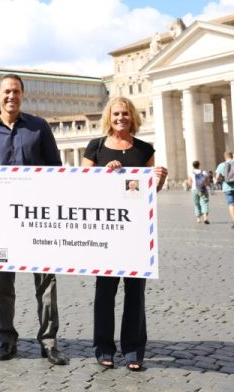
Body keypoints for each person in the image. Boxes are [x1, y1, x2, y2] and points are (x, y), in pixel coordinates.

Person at [0, 73, 68, 365]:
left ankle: (48, 341)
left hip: (39, 218)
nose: (11, 96)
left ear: (23, 95)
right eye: (6, 92)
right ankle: (6, 338)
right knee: (3, 284)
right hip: (3, 221)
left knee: (46, 282)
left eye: (16, 91)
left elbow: (57, 169)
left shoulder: (39, 128)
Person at [82, 96, 167, 371]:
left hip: (136, 229)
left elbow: (148, 191)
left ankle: (133, 350)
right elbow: (80, 184)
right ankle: (103, 348)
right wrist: (103, 174)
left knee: (135, 293)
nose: (121, 118)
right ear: (109, 116)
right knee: (104, 292)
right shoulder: (95, 147)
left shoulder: (144, 149)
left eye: (126, 114)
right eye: (117, 113)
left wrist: (160, 180)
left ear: (133, 117)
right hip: (104, 229)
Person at [214, 151, 234, 228]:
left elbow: (217, 177)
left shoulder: (222, 165)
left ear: (225, 157)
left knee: (231, 204)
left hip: (227, 187)